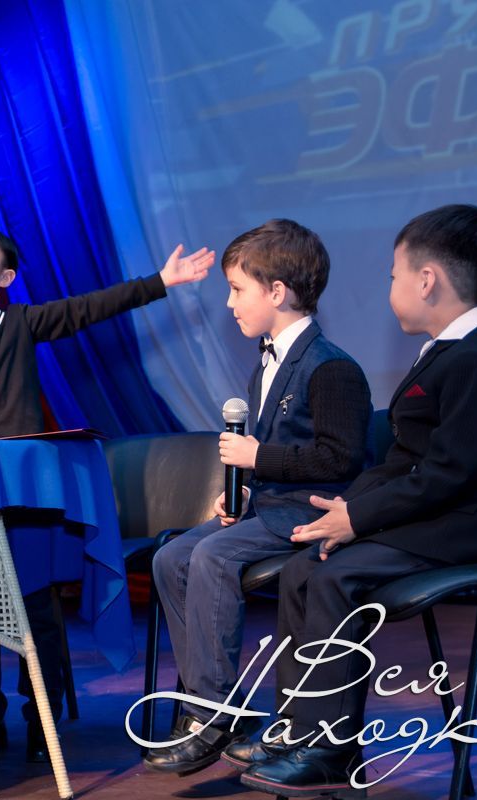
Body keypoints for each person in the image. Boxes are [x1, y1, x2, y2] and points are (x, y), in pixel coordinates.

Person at [230, 205, 477, 797]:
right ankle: (295, 730)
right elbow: (404, 464)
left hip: (476, 525)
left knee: (336, 577)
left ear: (427, 280)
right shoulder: (447, 353)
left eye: (394, 274)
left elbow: (448, 475)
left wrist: (358, 517)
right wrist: (343, 509)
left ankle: (329, 747)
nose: (390, 287)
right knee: (304, 568)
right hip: (443, 515)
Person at [0, 224, 213, 762]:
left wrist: (159, 281)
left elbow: (90, 308)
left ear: (5, 277)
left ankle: (43, 716)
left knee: (35, 605)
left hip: (23, 493)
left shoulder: (23, 322)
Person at [144, 219, 372, 776]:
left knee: (212, 555)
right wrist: (241, 492)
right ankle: (221, 705)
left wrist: (257, 459)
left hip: (307, 513)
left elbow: (339, 460)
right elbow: (270, 459)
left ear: (277, 292)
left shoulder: (332, 367)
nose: (229, 303)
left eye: (236, 289)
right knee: (170, 556)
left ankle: (211, 714)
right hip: (267, 509)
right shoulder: (264, 365)